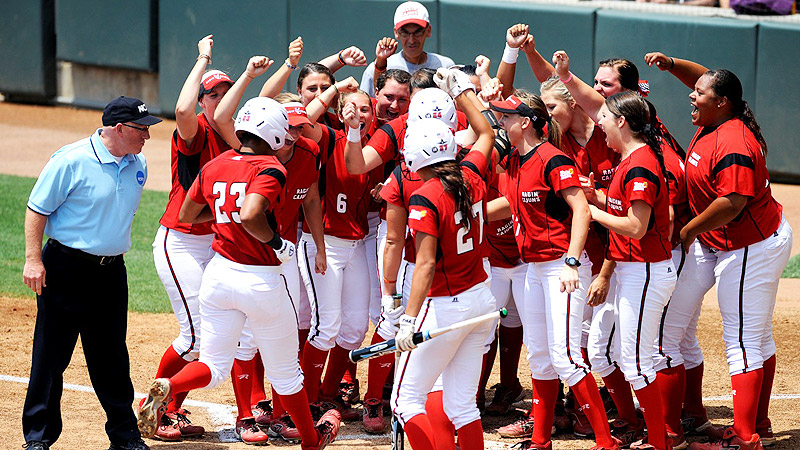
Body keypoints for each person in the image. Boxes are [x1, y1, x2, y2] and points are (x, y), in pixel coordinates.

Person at [137, 96, 342, 450]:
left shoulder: (216, 163)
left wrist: (222, 217)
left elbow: (187, 213)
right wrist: (278, 243)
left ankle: (170, 386)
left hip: (218, 276)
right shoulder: (270, 167)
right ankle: (312, 440)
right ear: (274, 132)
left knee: (213, 366)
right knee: (286, 373)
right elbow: (250, 214)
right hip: (261, 279)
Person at [647, 53, 792, 450]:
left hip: (750, 247)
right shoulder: (718, 115)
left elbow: (732, 203)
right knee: (674, 327)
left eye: (700, 94)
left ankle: (746, 436)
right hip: (720, 242)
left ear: (722, 101)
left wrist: (688, 229)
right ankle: (730, 423)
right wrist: (672, 64)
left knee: (745, 341)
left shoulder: (734, 141)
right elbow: (707, 79)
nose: (691, 98)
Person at [22, 96, 162, 450]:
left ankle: (125, 435)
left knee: (112, 355)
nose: (147, 136)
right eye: (141, 129)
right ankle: (38, 437)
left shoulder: (137, 163)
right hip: (65, 269)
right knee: (52, 356)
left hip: (112, 273)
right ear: (118, 128)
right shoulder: (70, 160)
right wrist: (33, 259)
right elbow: (36, 209)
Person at [485, 91, 617, 450]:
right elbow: (507, 203)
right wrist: (467, 213)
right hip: (533, 270)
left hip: (562, 267)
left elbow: (582, 210)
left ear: (525, 122)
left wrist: (573, 261)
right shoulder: (514, 160)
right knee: (541, 357)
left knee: (566, 356)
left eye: (506, 117)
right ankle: (540, 440)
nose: (500, 122)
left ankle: (607, 442)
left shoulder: (553, 160)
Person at [390, 68, 495, 450]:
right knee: (463, 405)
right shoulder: (470, 174)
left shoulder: (425, 195)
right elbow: (486, 133)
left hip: (445, 307)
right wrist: (464, 90)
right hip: (482, 299)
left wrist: (406, 319)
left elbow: (426, 263)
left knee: (405, 401)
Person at [149, 34, 231, 441]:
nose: (220, 99)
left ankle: (172, 407)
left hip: (213, 246)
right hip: (179, 240)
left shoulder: (238, 136)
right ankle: (155, 408)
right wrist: (202, 58)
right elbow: (181, 107)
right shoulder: (195, 129)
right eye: (213, 95)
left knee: (210, 334)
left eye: (226, 93)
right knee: (195, 335)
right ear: (203, 102)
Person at [360, 1, 455, 97]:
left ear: (428, 30)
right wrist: (380, 64)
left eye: (418, 32)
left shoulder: (445, 66)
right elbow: (366, 107)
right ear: (396, 32)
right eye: (405, 32)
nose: (411, 40)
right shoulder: (376, 69)